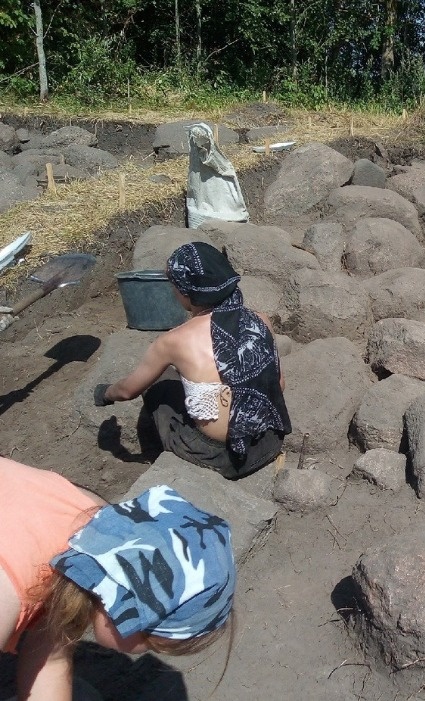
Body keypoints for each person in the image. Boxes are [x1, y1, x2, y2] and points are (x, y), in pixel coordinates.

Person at [1, 456, 235, 700]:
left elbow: (50, 660)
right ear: (131, 613)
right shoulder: (9, 591)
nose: (141, 653)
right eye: (151, 644)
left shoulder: (96, 537)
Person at [95, 242, 291, 479]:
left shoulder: (174, 341)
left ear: (187, 292)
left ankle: (169, 461)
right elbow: (279, 385)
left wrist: (105, 394)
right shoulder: (260, 320)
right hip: (268, 441)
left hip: (220, 456)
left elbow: (127, 391)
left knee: (158, 384)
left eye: (174, 286)